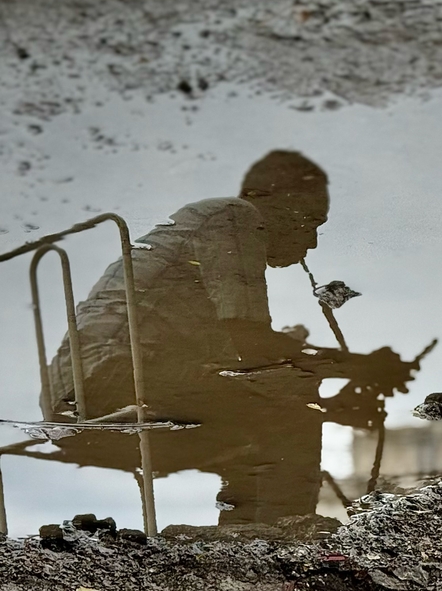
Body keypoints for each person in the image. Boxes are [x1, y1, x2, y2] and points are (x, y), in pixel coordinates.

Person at [42, 150, 422, 528]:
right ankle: (281, 530)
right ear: (267, 200)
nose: (312, 242)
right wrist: (361, 366)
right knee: (289, 394)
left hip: (80, 394)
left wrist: (332, 393)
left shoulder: (205, 230)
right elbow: (255, 347)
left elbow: (239, 367)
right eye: (309, 222)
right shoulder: (236, 218)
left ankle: (251, 529)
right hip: (111, 383)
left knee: (283, 390)